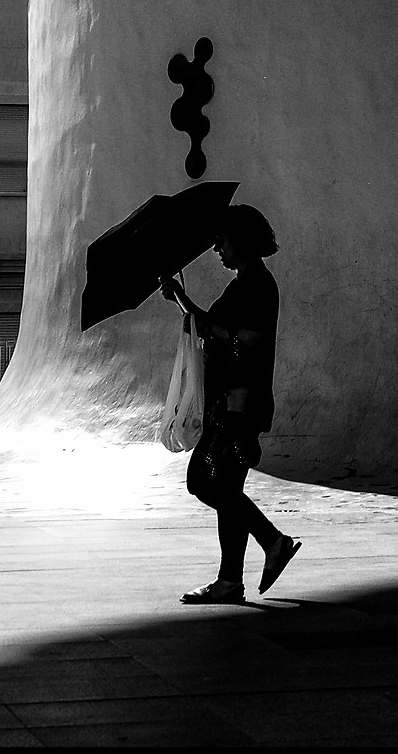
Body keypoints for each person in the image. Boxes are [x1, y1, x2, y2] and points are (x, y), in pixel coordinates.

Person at [159, 204, 300, 603]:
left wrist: (197, 314)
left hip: (239, 407)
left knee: (204, 481)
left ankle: (272, 540)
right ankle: (230, 580)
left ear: (241, 240)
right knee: (226, 488)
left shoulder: (257, 285)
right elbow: (215, 328)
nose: (217, 248)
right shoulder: (246, 282)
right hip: (231, 404)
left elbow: (246, 339)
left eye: (222, 241)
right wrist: (183, 301)